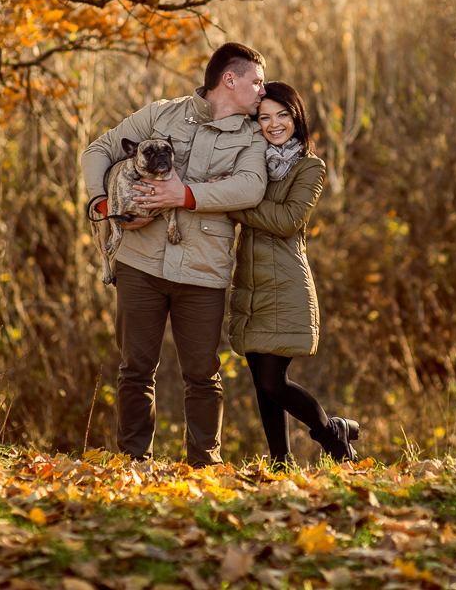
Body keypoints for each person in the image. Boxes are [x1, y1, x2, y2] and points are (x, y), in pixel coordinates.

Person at [81, 43, 268, 466]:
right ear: (229, 79)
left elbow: (250, 187)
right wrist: (102, 205)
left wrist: (184, 194)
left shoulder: (254, 136)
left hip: (203, 272)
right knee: (134, 369)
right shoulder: (161, 114)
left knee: (203, 375)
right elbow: (98, 150)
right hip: (139, 265)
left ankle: (205, 466)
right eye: (257, 81)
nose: (263, 90)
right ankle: (133, 463)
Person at [228, 81, 360, 469]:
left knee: (273, 381)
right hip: (250, 284)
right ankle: (281, 464)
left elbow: (287, 221)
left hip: (285, 284)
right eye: (264, 117)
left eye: (282, 115)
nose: (273, 124)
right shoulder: (251, 161)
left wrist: (234, 204)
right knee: (262, 385)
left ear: (296, 116)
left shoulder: (309, 166)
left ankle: (331, 434)